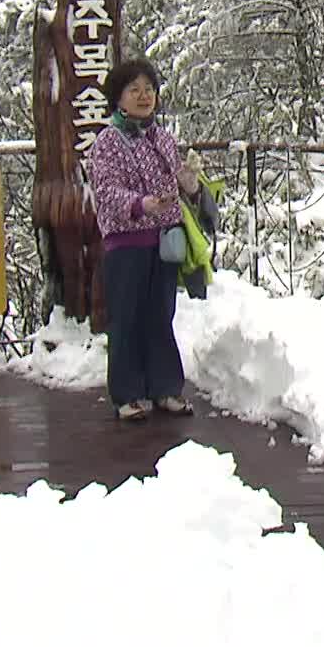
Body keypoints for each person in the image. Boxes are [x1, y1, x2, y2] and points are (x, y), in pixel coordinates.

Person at [86, 58, 217, 421]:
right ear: (118, 97)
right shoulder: (107, 142)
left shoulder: (162, 137)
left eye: (149, 89)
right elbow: (107, 190)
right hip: (126, 244)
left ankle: (166, 389)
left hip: (165, 240)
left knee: (161, 317)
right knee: (126, 319)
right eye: (134, 90)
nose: (144, 97)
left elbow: (178, 183)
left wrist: (190, 183)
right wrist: (142, 204)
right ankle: (127, 394)